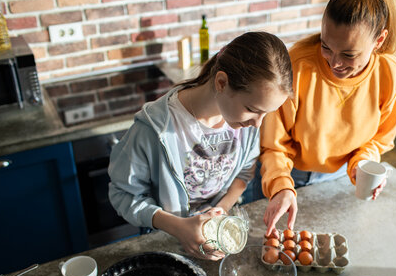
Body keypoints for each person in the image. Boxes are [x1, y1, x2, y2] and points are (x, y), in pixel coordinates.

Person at [108, 32, 293, 260]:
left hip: (215, 233)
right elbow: (123, 195)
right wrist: (178, 227)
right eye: (253, 109)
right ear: (222, 83)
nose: (258, 124)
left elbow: (245, 173)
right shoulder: (155, 130)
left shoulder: (246, 125)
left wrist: (221, 210)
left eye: (266, 113)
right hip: (165, 237)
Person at [257, 0, 396, 236]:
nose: (334, 63)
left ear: (379, 40)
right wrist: (280, 186)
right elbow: (273, 145)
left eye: (348, 54)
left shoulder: (391, 74)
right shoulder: (297, 65)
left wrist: (362, 164)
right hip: (285, 174)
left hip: (343, 178)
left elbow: (379, 139)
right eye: (326, 46)